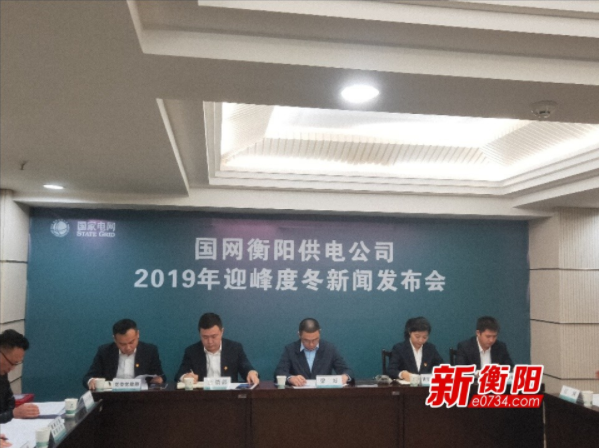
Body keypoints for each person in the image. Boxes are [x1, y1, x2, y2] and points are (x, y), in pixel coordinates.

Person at [176, 313, 259, 384]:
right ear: (199, 334)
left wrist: (251, 373)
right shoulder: (192, 351)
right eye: (205, 337)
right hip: (202, 396)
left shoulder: (234, 348)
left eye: (214, 336)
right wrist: (185, 377)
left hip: (229, 395)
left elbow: (246, 367)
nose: (210, 341)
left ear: (222, 332)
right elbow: (179, 374)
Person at [82, 319, 166, 390]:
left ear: (138, 334)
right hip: (112, 398)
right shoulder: (105, 351)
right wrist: (91, 381)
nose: (128, 347)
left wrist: (160, 379)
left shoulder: (149, 351)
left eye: (131, 342)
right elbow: (88, 378)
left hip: (141, 398)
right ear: (115, 339)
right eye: (122, 344)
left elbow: (161, 376)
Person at [274, 318, 353, 386]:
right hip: (298, 395)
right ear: (299, 335)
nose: (311, 344)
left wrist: (345, 376)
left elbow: (347, 370)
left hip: (324, 394)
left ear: (319, 333)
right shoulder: (290, 349)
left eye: (315, 340)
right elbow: (279, 372)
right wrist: (291, 378)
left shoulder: (329, 349)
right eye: (306, 340)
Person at [0, 330, 39, 423]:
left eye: (16, 363)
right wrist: (12, 414)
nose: (12, 368)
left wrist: (19, 412)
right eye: (12, 362)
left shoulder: (2, 372)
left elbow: (10, 401)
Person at [387, 316, 444, 381]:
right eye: (417, 336)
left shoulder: (430, 349)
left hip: (425, 386)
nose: (421, 340)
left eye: (424, 337)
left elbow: (442, 367)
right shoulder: (399, 348)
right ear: (410, 332)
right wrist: (402, 374)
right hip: (406, 386)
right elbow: (391, 370)